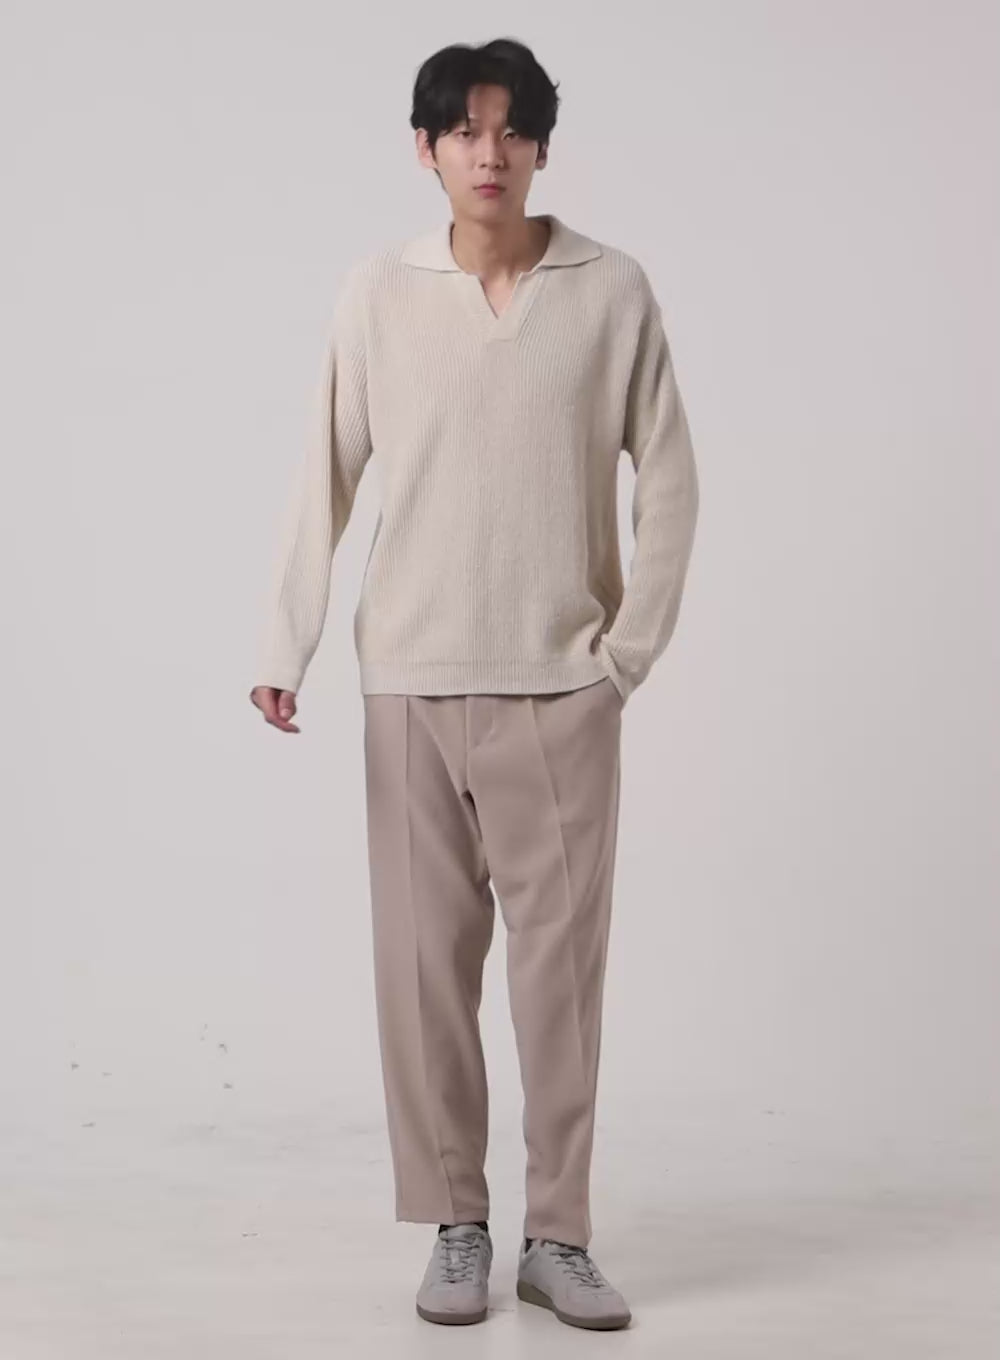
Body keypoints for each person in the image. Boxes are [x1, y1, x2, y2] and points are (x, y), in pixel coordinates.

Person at [249, 36, 699, 1332]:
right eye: (463, 131)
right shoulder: (378, 294)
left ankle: (560, 1237)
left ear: (542, 145)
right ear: (427, 150)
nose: (488, 153)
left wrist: (623, 659)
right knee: (422, 977)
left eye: (510, 129)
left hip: (562, 687)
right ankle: (457, 1223)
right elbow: (325, 472)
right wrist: (286, 644)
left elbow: (670, 479)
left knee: (561, 983)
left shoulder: (610, 291)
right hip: (411, 684)